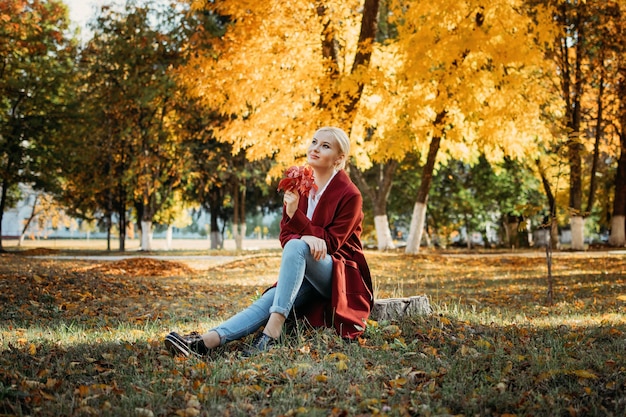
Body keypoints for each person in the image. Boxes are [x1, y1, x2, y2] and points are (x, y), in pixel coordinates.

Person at [164, 126, 373, 357]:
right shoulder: (299, 186)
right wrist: (303, 230)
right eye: (314, 142)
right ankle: (207, 342)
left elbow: (330, 245)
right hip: (304, 270)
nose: (315, 148)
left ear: (339, 158)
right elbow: (285, 236)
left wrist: (297, 219)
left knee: (297, 246)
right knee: (267, 301)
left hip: (338, 275)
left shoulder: (350, 194)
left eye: (325, 146)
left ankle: (272, 332)